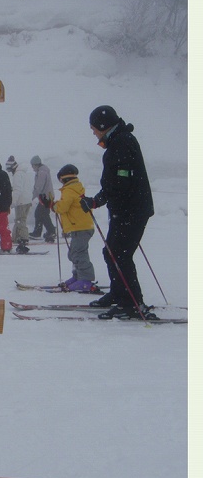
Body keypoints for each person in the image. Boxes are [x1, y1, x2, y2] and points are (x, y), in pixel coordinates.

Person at [79, 105, 157, 320]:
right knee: (112, 253)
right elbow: (117, 180)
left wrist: (98, 200)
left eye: (94, 128)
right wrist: (98, 201)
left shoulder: (122, 142)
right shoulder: (119, 140)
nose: (93, 132)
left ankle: (131, 303)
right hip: (126, 210)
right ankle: (119, 294)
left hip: (131, 211)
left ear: (104, 126)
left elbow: (121, 180)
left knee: (119, 255)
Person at [43, 164, 96, 292]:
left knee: (78, 253)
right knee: (74, 252)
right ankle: (78, 276)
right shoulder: (76, 188)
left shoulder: (69, 190)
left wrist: (52, 206)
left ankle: (85, 280)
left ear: (64, 178)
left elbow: (63, 207)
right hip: (81, 226)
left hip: (80, 227)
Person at [6, 155, 33, 254]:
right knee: (19, 219)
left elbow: (17, 190)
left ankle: (23, 238)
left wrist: (12, 202)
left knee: (20, 220)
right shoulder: (24, 173)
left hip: (21, 201)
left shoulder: (17, 175)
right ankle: (16, 237)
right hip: (27, 200)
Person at [29, 155, 56, 243]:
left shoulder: (41, 172)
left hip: (46, 197)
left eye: (32, 165)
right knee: (42, 214)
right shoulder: (43, 171)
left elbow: (38, 187)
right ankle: (43, 231)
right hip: (47, 196)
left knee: (42, 214)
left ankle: (49, 231)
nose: (32, 167)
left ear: (36, 164)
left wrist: (30, 198)